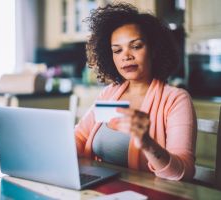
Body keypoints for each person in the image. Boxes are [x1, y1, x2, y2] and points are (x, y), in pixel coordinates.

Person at [75, 2, 197, 181]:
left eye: (136, 46)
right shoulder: (109, 94)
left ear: (154, 49)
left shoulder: (175, 99)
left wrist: (147, 143)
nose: (126, 56)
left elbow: (183, 173)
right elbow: (79, 136)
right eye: (117, 50)